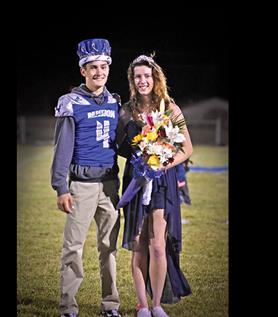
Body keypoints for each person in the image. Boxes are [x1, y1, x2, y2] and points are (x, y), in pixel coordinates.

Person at [117, 54, 193, 317]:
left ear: (155, 78)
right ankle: (142, 306)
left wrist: (162, 162)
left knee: (157, 245)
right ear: (132, 80)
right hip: (136, 180)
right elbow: (118, 146)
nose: (142, 80)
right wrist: (140, 155)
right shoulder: (126, 110)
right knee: (138, 243)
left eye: (147, 76)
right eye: (137, 76)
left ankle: (157, 304)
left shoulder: (171, 109)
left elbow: (187, 149)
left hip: (162, 181)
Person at [51, 38, 122, 317]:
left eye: (103, 67)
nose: (99, 72)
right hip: (81, 186)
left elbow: (123, 143)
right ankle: (68, 307)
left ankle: (111, 305)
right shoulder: (71, 102)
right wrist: (61, 187)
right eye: (93, 67)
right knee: (73, 248)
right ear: (83, 70)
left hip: (109, 185)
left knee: (109, 248)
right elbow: (62, 148)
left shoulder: (116, 101)